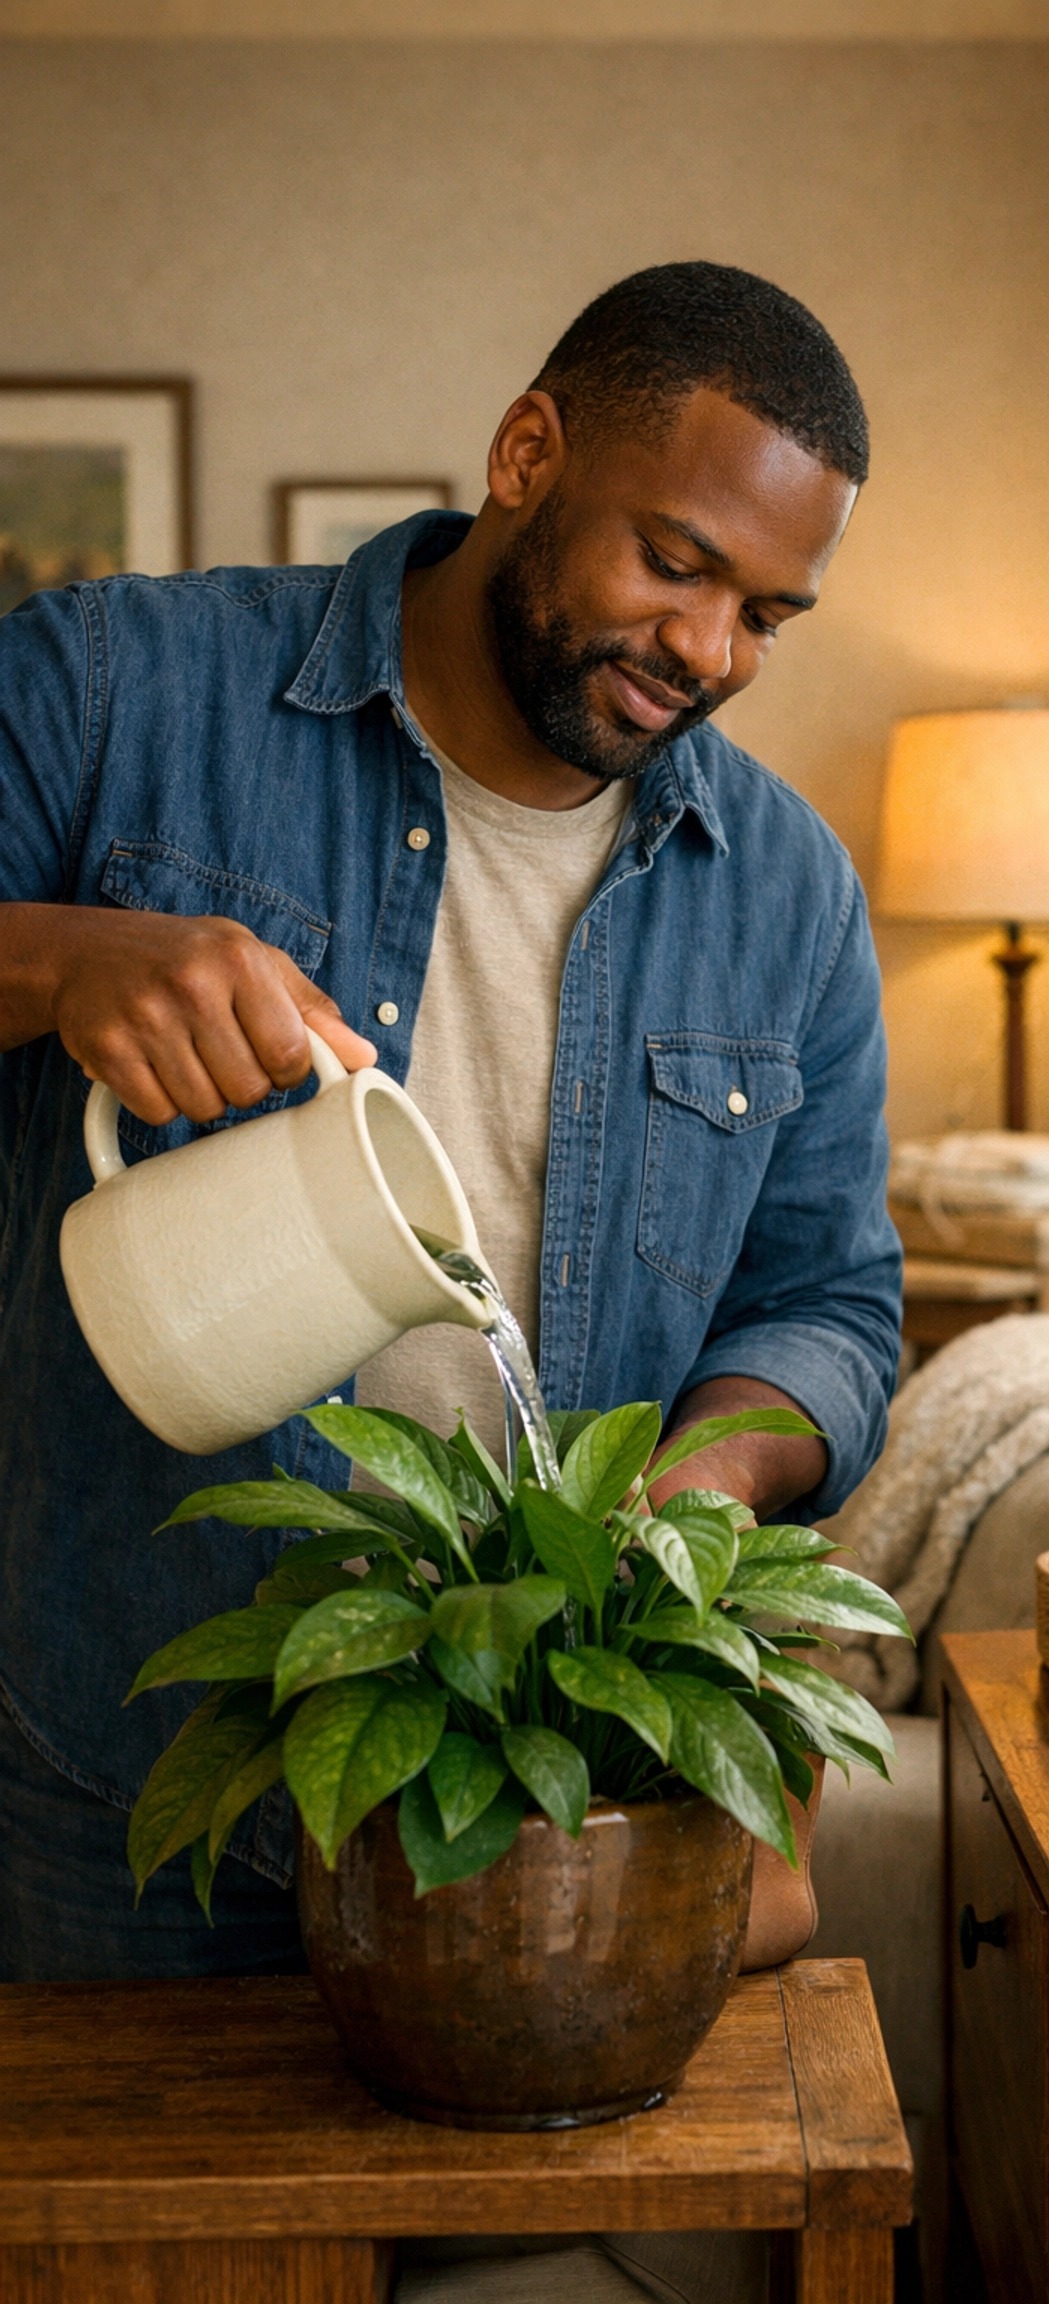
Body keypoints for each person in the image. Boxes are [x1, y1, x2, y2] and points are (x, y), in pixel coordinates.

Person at [0, 261, 901, 1991]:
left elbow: (832, 1303)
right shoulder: (119, 688)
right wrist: (61, 961)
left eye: (767, 615)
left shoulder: (790, 892)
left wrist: (692, 1496)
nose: (708, 654)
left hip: (538, 1796)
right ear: (526, 453)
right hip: (110, 1767)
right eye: (676, 563)